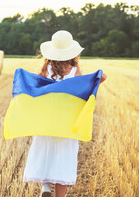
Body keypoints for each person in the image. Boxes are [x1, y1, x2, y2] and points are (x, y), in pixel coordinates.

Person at [22, 30, 107, 197]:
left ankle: (46, 186)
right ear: (72, 52)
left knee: (45, 152)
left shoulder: (46, 68)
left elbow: (38, 90)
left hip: (47, 120)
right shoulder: (74, 70)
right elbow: (85, 88)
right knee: (63, 158)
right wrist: (98, 78)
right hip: (67, 121)